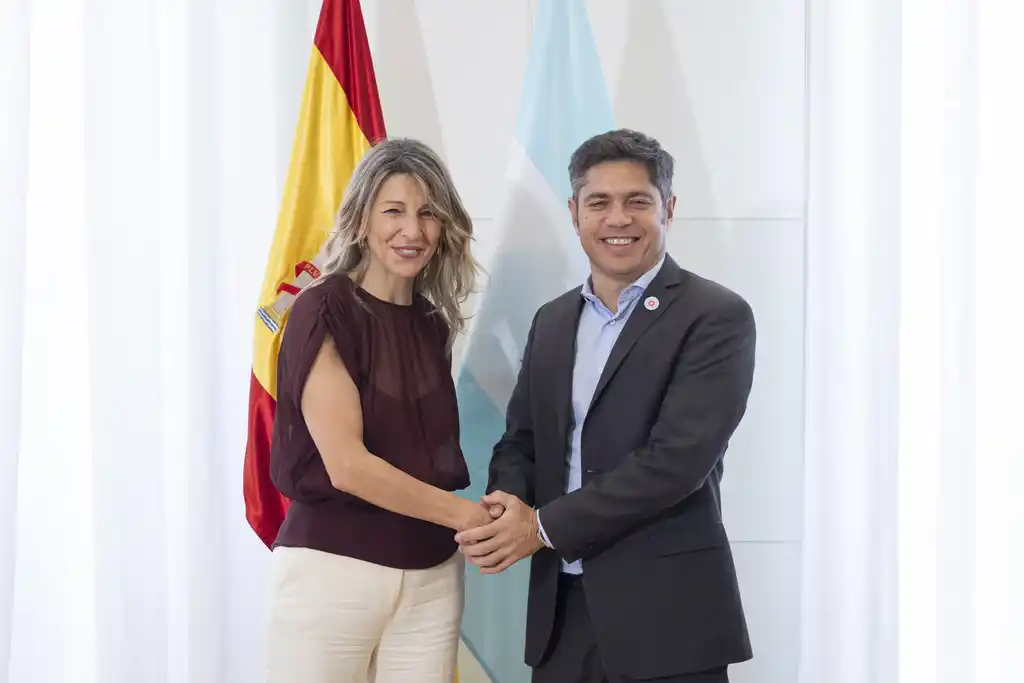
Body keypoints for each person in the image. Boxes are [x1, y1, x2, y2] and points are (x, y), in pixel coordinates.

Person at [455, 129, 757, 683]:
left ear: (668, 208)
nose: (618, 218)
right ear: (574, 214)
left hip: (667, 620)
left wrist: (541, 527)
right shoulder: (552, 321)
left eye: (637, 201)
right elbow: (521, 439)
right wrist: (507, 505)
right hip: (560, 616)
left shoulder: (716, 316)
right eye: (599, 203)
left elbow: (676, 462)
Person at [264, 138, 495, 683]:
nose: (412, 231)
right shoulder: (322, 307)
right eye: (393, 211)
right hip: (332, 572)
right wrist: (466, 516)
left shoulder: (432, 324)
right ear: (362, 219)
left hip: (432, 581)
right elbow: (348, 465)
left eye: (428, 213)